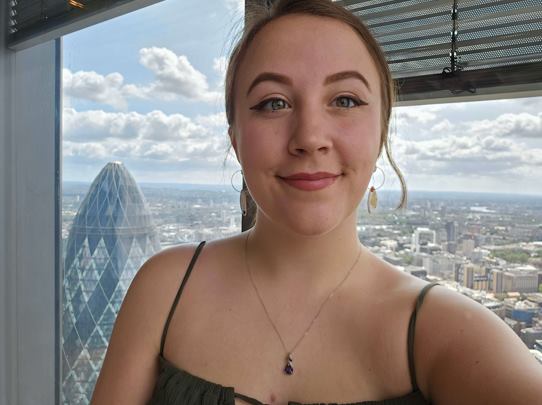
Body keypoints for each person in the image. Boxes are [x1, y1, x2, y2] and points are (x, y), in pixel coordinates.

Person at [91, 0, 542, 404]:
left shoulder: (443, 330)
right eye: (273, 103)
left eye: (345, 99)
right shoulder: (164, 289)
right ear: (235, 140)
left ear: (381, 133)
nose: (309, 138)